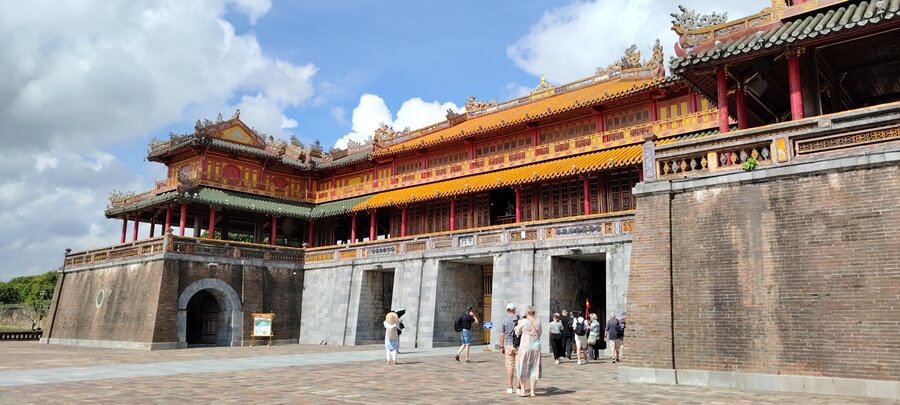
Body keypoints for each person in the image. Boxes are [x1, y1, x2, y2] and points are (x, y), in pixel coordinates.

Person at [514, 305, 542, 397]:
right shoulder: (538, 321)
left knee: (522, 368)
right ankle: (533, 391)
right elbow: (540, 333)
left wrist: (518, 324)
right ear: (534, 313)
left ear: (527, 313)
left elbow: (517, 332)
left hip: (525, 347)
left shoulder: (524, 321)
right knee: (534, 368)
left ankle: (522, 390)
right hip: (536, 347)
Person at [500, 303, 519, 394]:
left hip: (508, 345)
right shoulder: (519, 319)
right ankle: (519, 387)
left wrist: (501, 346)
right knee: (518, 366)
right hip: (518, 345)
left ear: (507, 310)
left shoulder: (504, 320)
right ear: (514, 309)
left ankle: (510, 387)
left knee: (510, 367)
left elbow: (502, 335)